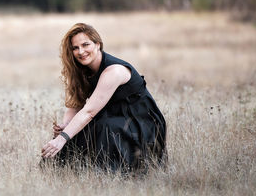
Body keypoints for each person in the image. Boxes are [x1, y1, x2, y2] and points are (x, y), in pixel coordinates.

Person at [41, 23, 167, 173]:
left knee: (105, 127)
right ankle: (64, 172)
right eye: (75, 48)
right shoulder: (81, 70)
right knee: (75, 130)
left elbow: (89, 112)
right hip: (114, 118)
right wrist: (65, 126)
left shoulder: (114, 71)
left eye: (85, 45)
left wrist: (62, 138)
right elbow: (75, 104)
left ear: (98, 44)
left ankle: (113, 173)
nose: (81, 51)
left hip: (141, 123)